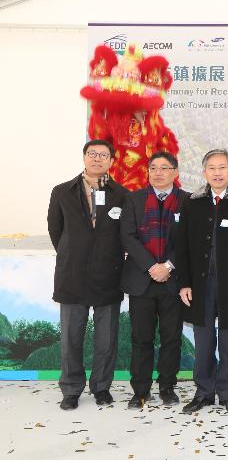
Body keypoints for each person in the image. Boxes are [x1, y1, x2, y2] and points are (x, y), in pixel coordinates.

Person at [175, 149, 228, 413]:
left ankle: (227, 392)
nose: (217, 172)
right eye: (211, 168)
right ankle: (203, 391)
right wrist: (184, 283)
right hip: (199, 285)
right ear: (204, 172)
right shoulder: (192, 202)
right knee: (203, 342)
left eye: (222, 167)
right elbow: (182, 247)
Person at [47, 139, 128, 410]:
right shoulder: (62, 192)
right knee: (71, 337)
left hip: (108, 275)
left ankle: (101, 387)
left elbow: (125, 234)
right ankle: (71, 390)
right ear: (84, 157)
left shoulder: (122, 194)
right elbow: (56, 231)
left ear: (111, 161)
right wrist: (75, 252)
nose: (97, 159)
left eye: (103, 155)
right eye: (92, 154)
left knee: (106, 338)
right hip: (73, 275)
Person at [120, 151, 188, 408]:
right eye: (153, 168)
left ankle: (168, 387)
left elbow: (188, 241)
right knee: (141, 338)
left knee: (172, 338)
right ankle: (140, 390)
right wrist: (152, 266)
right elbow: (127, 237)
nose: (158, 172)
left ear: (175, 172)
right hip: (142, 280)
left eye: (164, 167)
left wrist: (168, 266)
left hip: (173, 282)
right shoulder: (134, 200)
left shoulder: (188, 201)